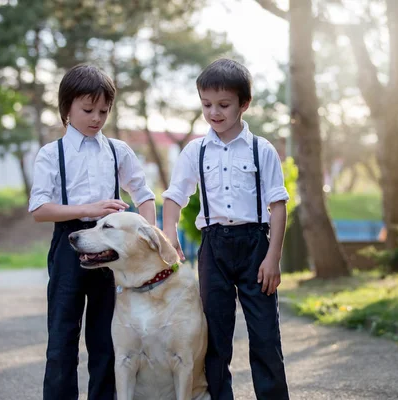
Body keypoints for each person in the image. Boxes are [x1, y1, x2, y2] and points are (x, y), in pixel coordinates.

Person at [162, 58, 290, 400]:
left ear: (243, 104)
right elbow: (175, 196)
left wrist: (273, 257)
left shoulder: (262, 149)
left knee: (265, 336)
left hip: (255, 247)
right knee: (215, 338)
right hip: (213, 247)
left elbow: (278, 205)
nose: (214, 112)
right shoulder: (196, 151)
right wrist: (169, 234)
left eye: (223, 105)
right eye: (206, 105)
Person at [28, 64, 156, 400]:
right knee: (61, 341)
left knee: (106, 342)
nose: (96, 118)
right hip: (68, 247)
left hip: (110, 250)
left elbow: (143, 196)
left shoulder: (118, 150)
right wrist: (89, 210)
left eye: (104, 110)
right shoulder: (51, 154)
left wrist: (147, 238)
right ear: (66, 106)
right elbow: (39, 209)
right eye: (88, 109)